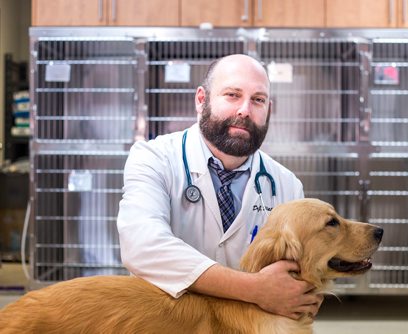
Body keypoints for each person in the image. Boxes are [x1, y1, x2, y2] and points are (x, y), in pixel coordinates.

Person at [117, 54, 323, 319]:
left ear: (269, 109)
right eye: (232, 95)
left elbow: (296, 274)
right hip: (165, 322)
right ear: (201, 100)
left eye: (258, 100)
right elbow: (143, 246)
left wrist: (302, 294)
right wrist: (255, 289)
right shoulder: (154, 158)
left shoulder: (286, 185)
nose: (245, 110)